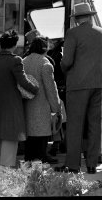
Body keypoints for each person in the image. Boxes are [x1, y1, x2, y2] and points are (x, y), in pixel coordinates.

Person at [55, 3, 102, 175]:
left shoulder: (72, 33)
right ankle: (92, 164)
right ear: (90, 16)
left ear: (76, 19)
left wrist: (63, 68)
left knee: (75, 125)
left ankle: (73, 166)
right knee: (94, 125)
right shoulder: (101, 32)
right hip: (99, 84)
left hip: (77, 84)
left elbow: (67, 61)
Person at [0, 30, 39, 168]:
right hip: (12, 104)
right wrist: (36, 88)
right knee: (11, 138)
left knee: (0, 138)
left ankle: (0, 168)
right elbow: (23, 81)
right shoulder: (15, 60)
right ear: (14, 44)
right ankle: (6, 171)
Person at [22, 36, 62, 164]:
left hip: (26, 103)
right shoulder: (45, 63)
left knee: (30, 133)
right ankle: (42, 157)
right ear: (44, 48)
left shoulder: (24, 61)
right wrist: (56, 108)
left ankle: (29, 157)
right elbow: (51, 89)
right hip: (41, 104)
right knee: (42, 133)